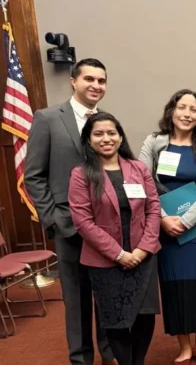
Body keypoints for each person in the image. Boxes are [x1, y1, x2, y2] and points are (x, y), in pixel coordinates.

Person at [23, 58, 117, 365]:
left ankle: (110, 352)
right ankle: (80, 359)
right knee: (76, 300)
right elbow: (34, 176)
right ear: (73, 81)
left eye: (101, 80)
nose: (96, 85)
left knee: (105, 294)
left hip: (105, 227)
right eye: (89, 79)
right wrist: (51, 218)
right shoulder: (48, 118)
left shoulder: (106, 122)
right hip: (67, 225)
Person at [68, 113, 161, 365]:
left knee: (144, 315)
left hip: (143, 256)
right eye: (98, 133)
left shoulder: (138, 168)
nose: (106, 138)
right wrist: (119, 254)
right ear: (89, 138)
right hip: (106, 261)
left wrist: (143, 249)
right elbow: (83, 222)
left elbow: (153, 209)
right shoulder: (81, 174)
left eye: (112, 133)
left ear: (120, 137)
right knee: (115, 320)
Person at [138, 89, 196, 365]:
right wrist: (162, 218)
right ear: (171, 111)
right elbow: (143, 182)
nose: (187, 114)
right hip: (165, 229)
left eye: (193, 109)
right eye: (182, 107)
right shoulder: (154, 142)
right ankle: (184, 346)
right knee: (174, 287)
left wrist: (186, 221)